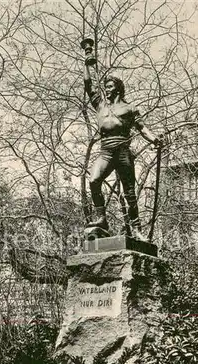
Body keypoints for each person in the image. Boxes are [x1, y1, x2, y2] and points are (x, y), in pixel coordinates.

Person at [84, 63, 161, 241]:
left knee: (129, 193)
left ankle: (136, 230)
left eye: (110, 87)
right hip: (106, 151)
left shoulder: (129, 108)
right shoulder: (100, 105)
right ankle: (102, 219)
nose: (107, 90)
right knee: (94, 181)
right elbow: (88, 85)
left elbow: (142, 128)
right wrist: (86, 64)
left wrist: (154, 139)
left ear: (118, 88)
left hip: (123, 152)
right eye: (105, 87)